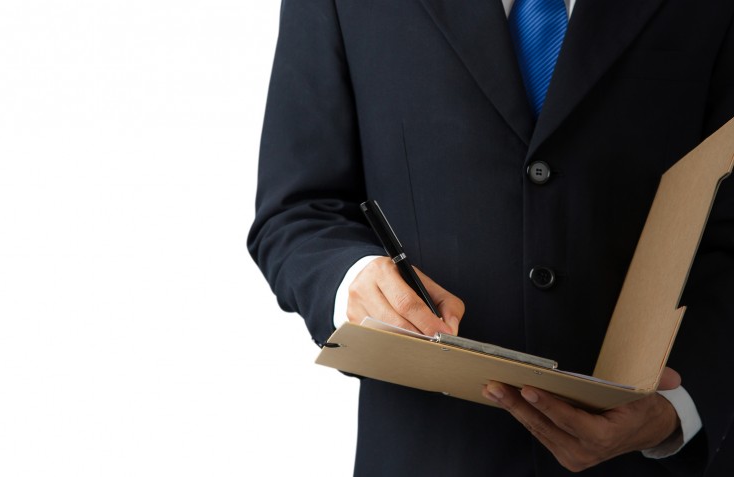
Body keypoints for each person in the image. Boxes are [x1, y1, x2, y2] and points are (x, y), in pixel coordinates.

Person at [248, 0, 734, 475]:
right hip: (430, 452)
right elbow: (298, 210)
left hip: (648, 457)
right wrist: (351, 280)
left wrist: (677, 410)